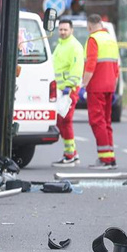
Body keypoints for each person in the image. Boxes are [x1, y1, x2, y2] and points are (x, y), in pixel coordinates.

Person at [83, 14, 120, 169]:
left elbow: (91, 64)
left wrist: (84, 84)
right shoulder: (111, 39)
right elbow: (116, 65)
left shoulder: (93, 39)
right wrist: (114, 83)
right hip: (110, 85)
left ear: (90, 26)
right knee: (106, 121)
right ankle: (110, 156)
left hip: (96, 86)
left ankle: (105, 159)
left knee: (97, 121)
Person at [52, 20, 85, 166]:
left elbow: (76, 69)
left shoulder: (74, 46)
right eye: (61, 29)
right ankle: (72, 153)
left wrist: (69, 86)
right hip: (60, 90)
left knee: (65, 121)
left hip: (69, 90)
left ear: (71, 30)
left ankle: (70, 155)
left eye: (65, 29)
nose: (63, 32)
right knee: (60, 121)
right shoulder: (60, 45)